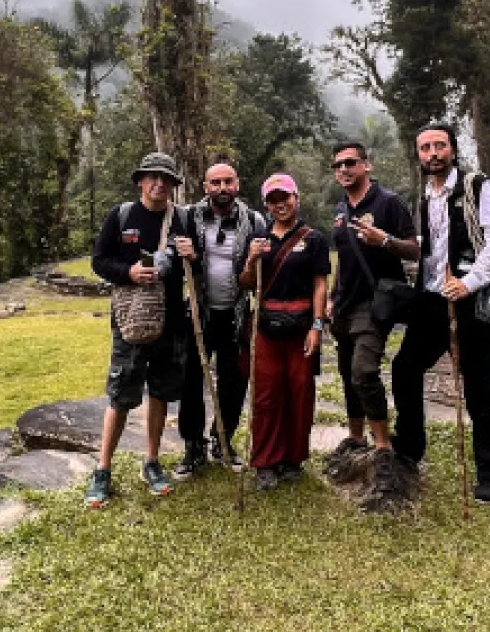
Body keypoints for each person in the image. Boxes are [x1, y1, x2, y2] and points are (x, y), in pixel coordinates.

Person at [388, 123, 490, 504]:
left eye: (439, 146)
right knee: (405, 368)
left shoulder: (477, 187)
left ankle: (489, 472)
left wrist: (469, 282)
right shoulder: (425, 194)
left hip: (469, 302)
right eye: (425, 148)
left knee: (478, 387)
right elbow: (430, 246)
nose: (432, 154)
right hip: (430, 300)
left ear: (453, 150)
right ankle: (410, 447)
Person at [85, 152, 198, 509]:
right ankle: (103, 469)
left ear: (173, 185)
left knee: (161, 393)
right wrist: (129, 273)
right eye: (152, 177)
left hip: (172, 323)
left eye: (166, 179)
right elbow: (99, 262)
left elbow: (195, 267)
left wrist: (192, 255)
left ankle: (151, 461)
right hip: (131, 322)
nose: (159, 184)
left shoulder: (182, 219)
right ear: (141, 181)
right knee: (120, 395)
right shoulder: (121, 216)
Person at [326, 141, 419, 483]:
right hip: (344, 304)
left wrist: (385, 241)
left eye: (350, 162)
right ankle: (355, 437)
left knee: (364, 371)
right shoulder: (340, 210)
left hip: (375, 303)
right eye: (337, 165)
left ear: (367, 165)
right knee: (347, 373)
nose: (344, 169)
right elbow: (344, 258)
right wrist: (332, 297)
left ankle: (383, 446)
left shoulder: (389, 202)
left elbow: (415, 250)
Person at [238, 173, 330, 489]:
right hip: (266, 327)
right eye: (273, 200)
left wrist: (317, 326)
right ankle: (265, 461)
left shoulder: (314, 239)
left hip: (302, 326)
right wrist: (251, 259)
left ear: (296, 198)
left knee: (300, 392)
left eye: (285, 197)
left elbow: (320, 284)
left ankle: (293, 458)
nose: (280, 204)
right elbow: (246, 284)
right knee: (266, 395)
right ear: (266, 204)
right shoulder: (259, 239)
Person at [176, 159, 267, 475]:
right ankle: (193, 446)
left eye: (228, 181)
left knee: (234, 381)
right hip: (198, 313)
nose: (222, 188)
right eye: (215, 183)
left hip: (236, 314)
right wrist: (188, 256)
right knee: (190, 380)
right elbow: (176, 263)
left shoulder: (253, 220)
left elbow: (261, 269)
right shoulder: (188, 217)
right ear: (206, 187)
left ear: (237, 185)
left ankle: (223, 439)